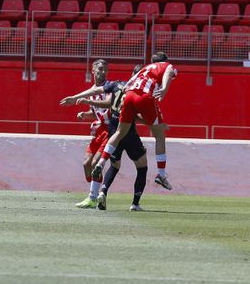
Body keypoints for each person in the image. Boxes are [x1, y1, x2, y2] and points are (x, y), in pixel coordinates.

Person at [60, 59, 152, 211]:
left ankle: (94, 196)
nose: (103, 72)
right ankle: (95, 194)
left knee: (99, 162)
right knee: (87, 163)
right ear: (93, 71)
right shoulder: (95, 90)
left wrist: (81, 100)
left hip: (111, 130)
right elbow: (97, 113)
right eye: (100, 69)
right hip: (103, 130)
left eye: (105, 69)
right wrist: (85, 114)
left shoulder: (111, 87)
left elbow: (110, 104)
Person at [93, 51, 176, 207]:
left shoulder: (144, 69)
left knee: (119, 133)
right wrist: (164, 88)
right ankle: (161, 174)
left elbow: (127, 85)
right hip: (144, 97)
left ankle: (100, 163)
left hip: (128, 98)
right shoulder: (166, 65)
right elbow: (168, 72)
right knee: (160, 136)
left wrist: (79, 98)